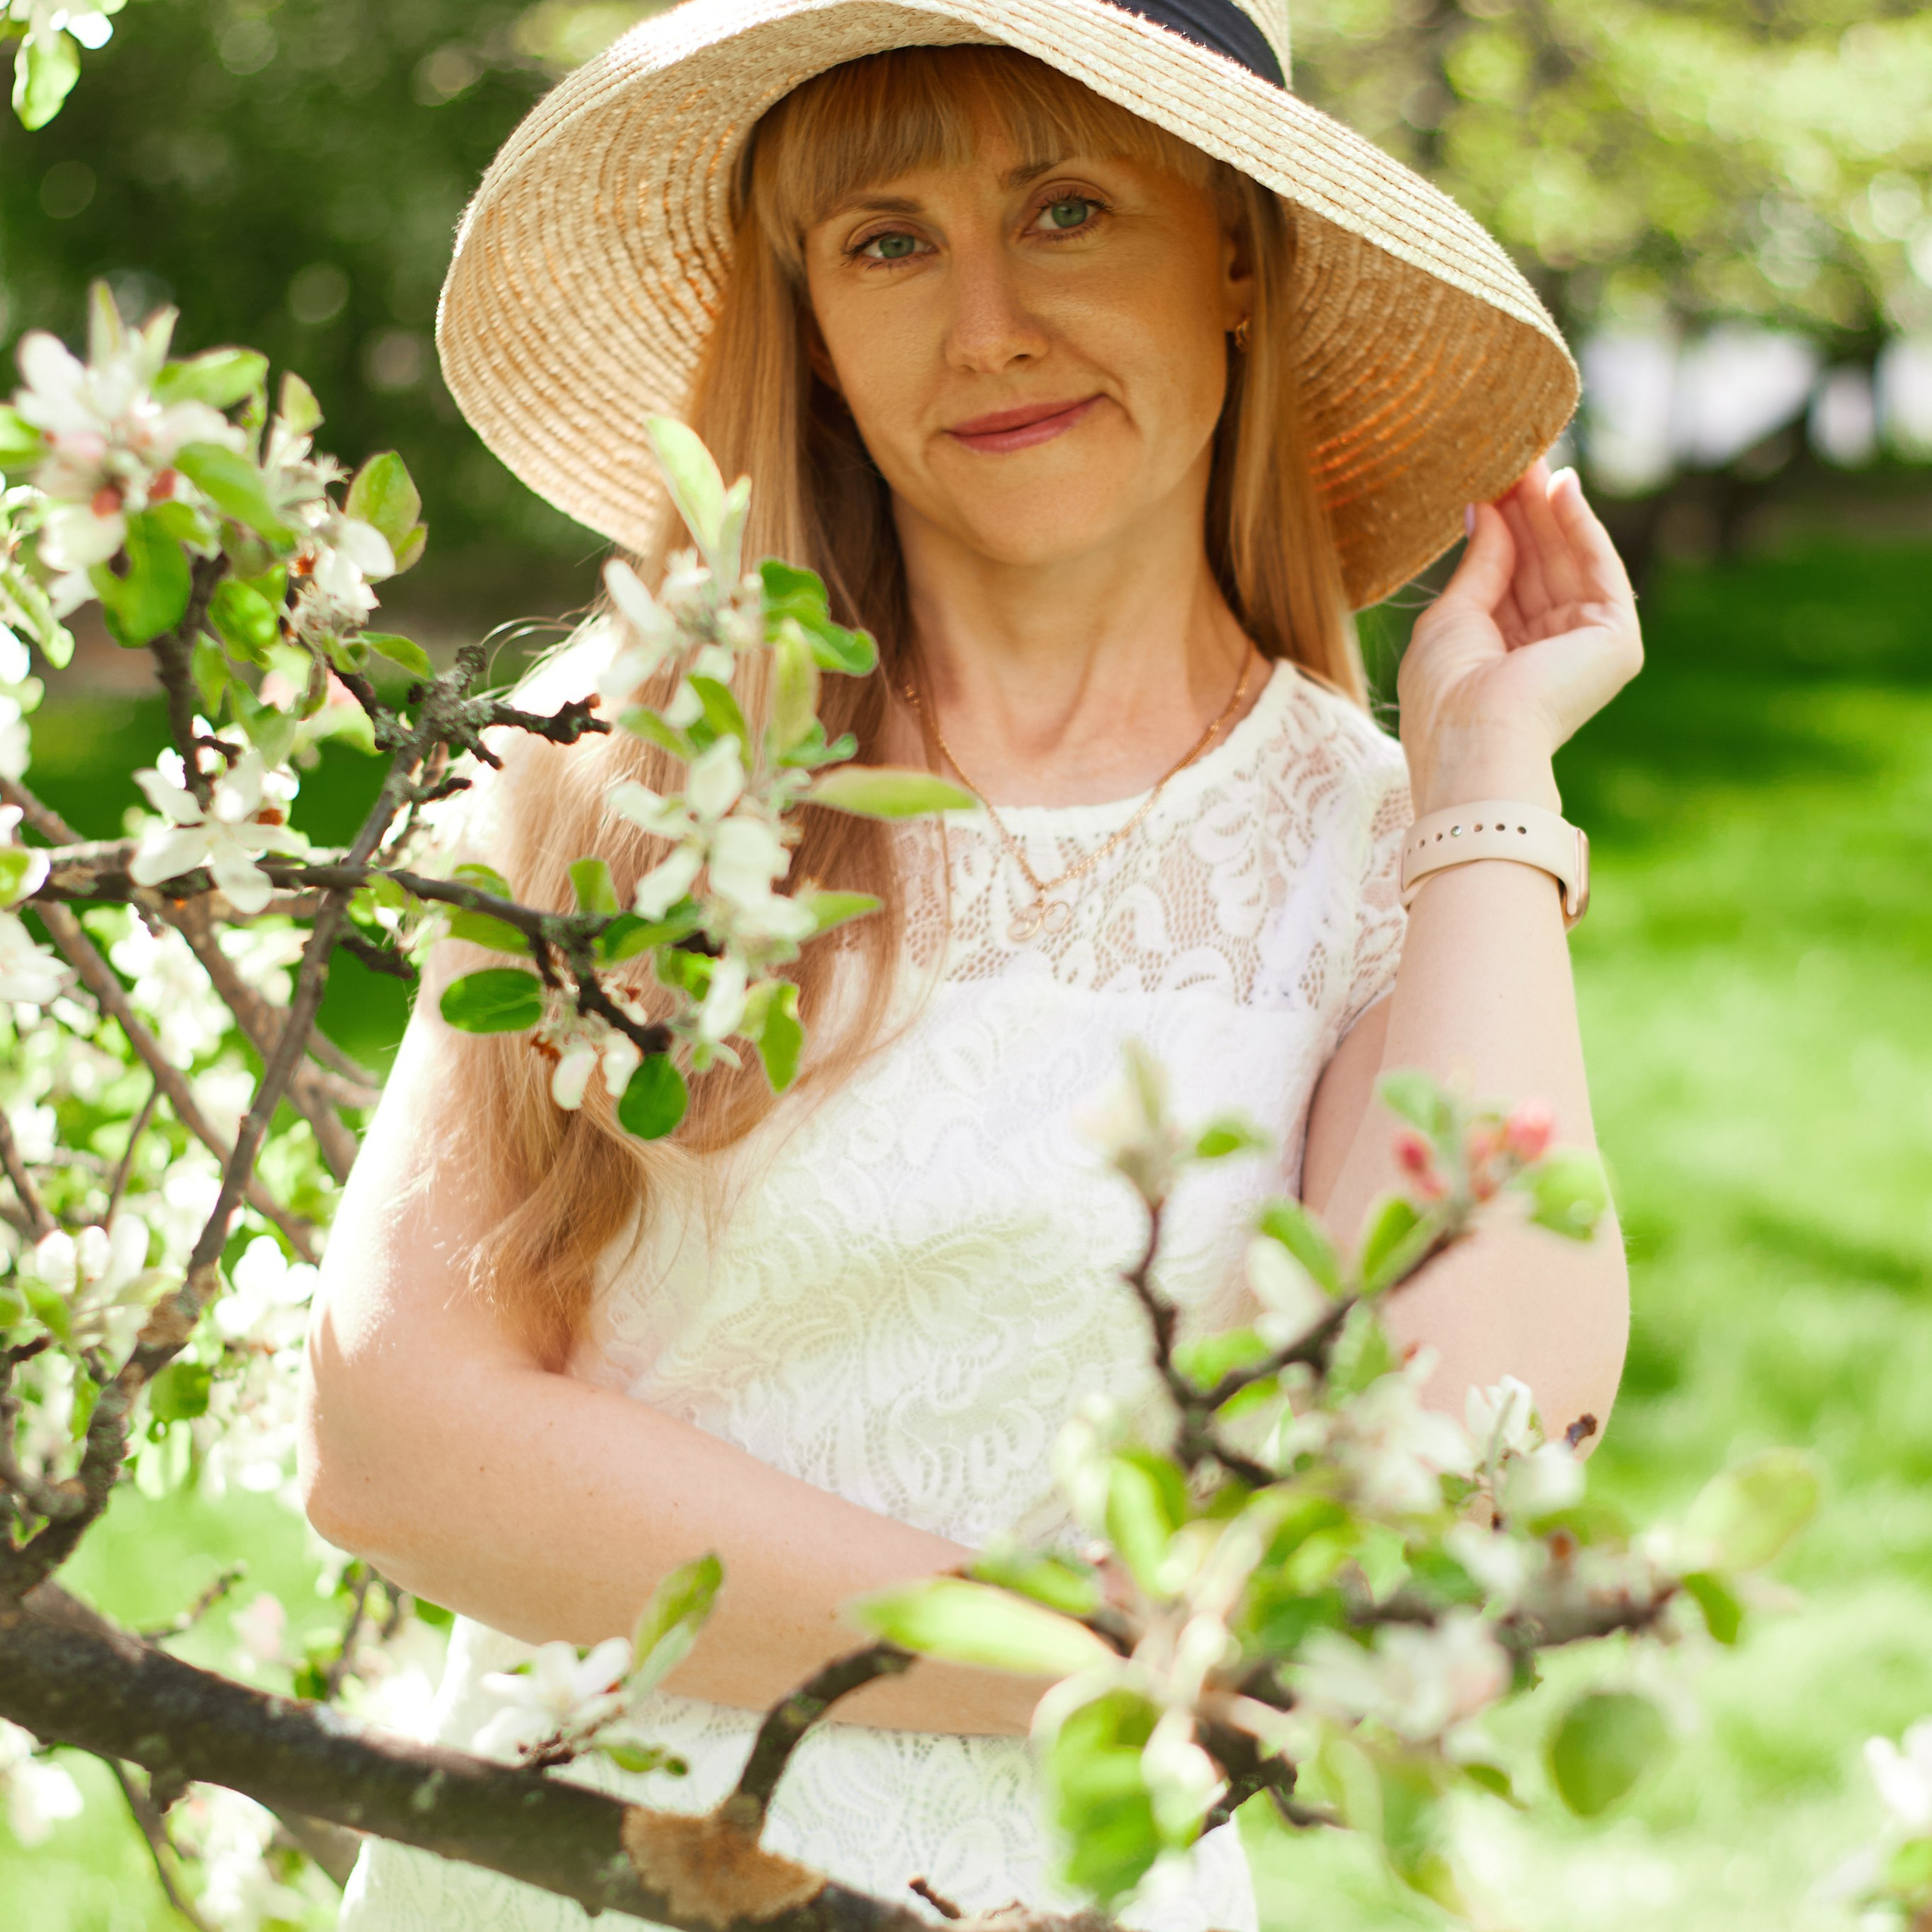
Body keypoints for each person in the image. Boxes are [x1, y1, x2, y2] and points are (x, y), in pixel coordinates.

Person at [301, 2, 1638, 1924]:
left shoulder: (1373, 853)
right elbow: (391, 1429)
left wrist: (1489, 783)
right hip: (583, 1869)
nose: (986, 320)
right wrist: (1112, 1659)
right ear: (814, 322)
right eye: (887, 241)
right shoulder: (632, 761)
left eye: (1070, 209)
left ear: (1238, 255)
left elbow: (1450, 1482)